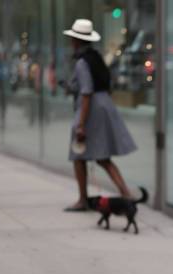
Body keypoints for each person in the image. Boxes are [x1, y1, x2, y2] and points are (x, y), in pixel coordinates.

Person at [62, 19, 138, 211]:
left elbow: (86, 92)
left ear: (76, 41)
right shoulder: (96, 57)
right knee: (102, 157)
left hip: (91, 109)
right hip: (103, 106)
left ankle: (83, 199)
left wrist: (80, 124)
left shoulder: (81, 63)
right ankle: (126, 193)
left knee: (79, 154)